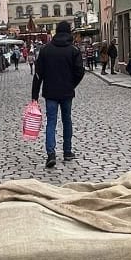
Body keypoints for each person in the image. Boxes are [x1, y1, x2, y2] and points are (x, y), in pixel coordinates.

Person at [31, 21, 85, 169]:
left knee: (51, 122)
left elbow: (38, 74)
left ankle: (51, 154)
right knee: (67, 120)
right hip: (67, 92)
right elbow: (80, 71)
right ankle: (67, 151)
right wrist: (71, 84)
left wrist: (34, 95)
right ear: (68, 33)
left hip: (50, 92)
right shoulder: (73, 51)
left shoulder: (46, 50)